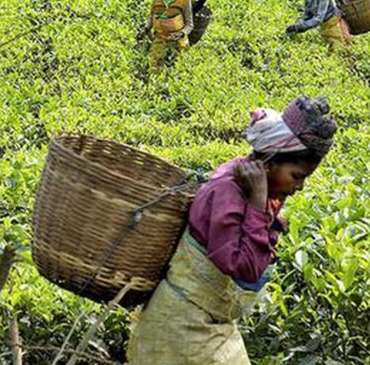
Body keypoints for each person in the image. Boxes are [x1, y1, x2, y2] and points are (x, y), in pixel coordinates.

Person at [128, 97, 338, 365]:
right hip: (180, 329)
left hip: (211, 323)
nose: (300, 187)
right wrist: (257, 203)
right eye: (296, 176)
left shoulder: (251, 181)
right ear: (269, 162)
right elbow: (245, 267)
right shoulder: (228, 193)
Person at [136, 0, 193, 73]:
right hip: (159, 39)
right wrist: (145, 29)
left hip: (178, 42)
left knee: (177, 71)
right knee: (154, 68)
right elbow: (152, 17)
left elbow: (189, 24)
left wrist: (181, 33)